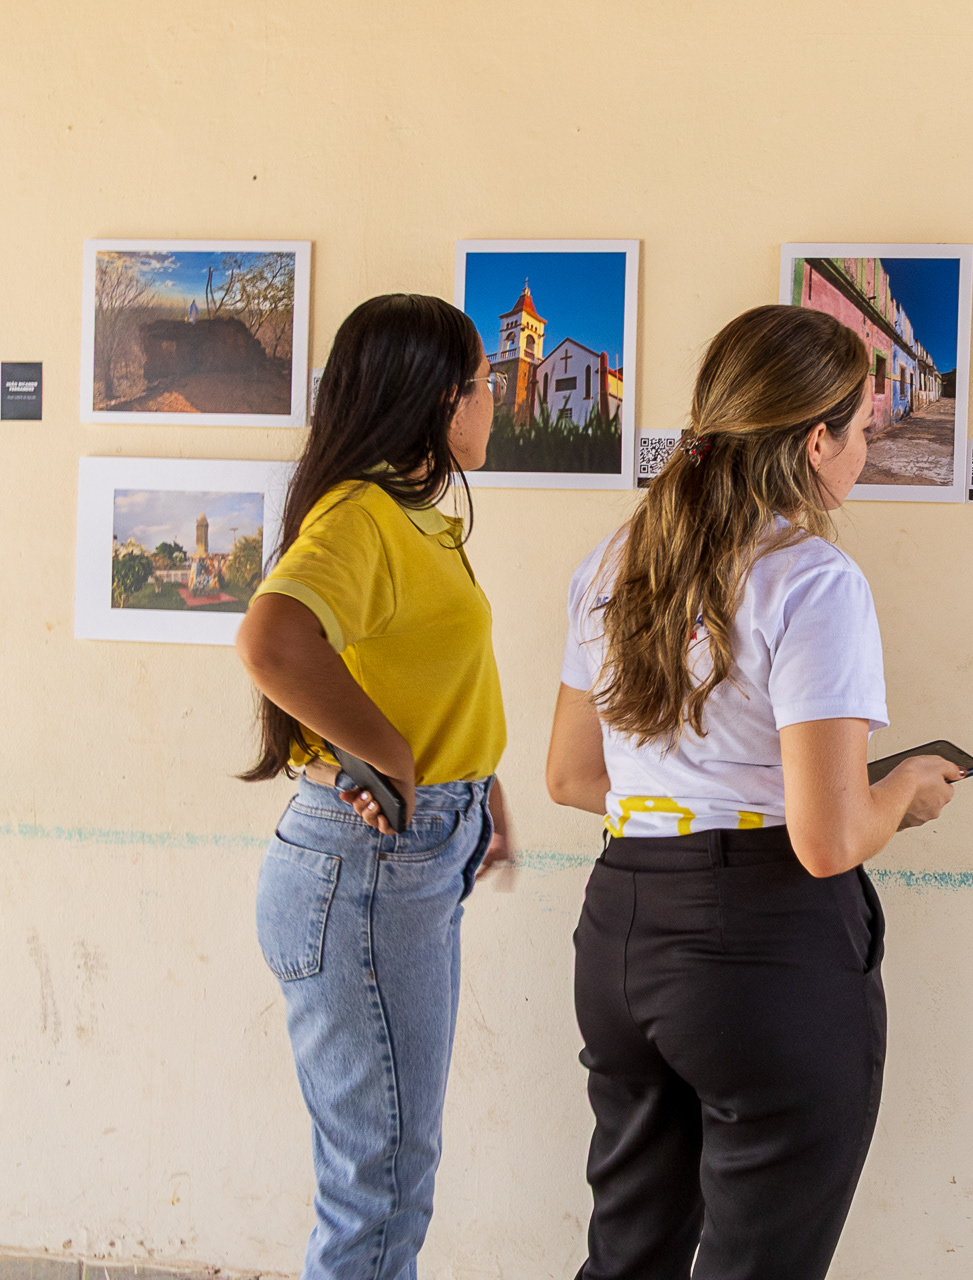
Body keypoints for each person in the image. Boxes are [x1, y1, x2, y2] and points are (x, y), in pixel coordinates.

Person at [546, 304, 964, 1280]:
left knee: (627, 1257)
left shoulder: (613, 563)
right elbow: (828, 839)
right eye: (861, 431)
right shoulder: (812, 580)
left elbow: (572, 775)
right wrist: (903, 785)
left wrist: (689, 787)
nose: (864, 453)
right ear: (813, 439)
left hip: (621, 930)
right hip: (761, 943)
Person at [235, 293, 515, 1280]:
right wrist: (390, 756)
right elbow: (272, 637)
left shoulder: (411, 518)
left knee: (391, 1173)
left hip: (408, 857)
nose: (496, 404)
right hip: (367, 871)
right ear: (442, 401)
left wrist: (479, 787)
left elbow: (427, 671)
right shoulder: (360, 514)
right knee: (380, 1189)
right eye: (484, 386)